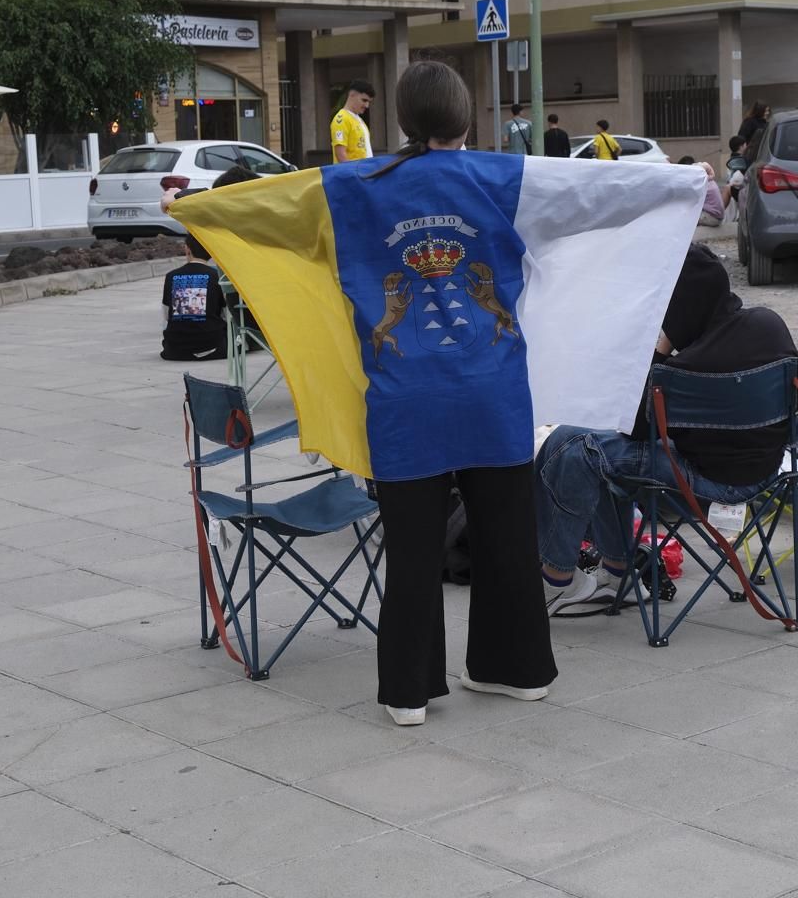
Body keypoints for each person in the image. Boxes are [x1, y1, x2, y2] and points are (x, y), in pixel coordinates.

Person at [164, 60, 706, 726]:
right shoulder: (503, 177)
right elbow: (598, 191)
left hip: (403, 397)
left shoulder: (350, 186)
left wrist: (189, 209)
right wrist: (682, 180)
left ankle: (407, 693)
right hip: (492, 390)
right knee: (507, 538)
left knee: (414, 550)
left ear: (399, 120)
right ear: (466, 116)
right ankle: (518, 672)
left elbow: (264, 205)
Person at [535, 243, 798, 611]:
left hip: (706, 486)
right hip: (766, 473)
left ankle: (555, 579)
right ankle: (617, 572)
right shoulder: (770, 325)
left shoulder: (682, 370)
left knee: (572, 444)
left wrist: (662, 347)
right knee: (595, 450)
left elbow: (632, 429)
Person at [159, 234, 227, 361]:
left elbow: (166, 315)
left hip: (175, 349)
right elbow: (227, 315)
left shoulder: (171, 276)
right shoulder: (217, 276)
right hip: (212, 346)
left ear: (187, 249)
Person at [331, 80, 375, 163]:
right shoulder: (341, 119)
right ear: (352, 95)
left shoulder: (359, 120)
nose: (367, 105)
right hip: (351, 174)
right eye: (364, 100)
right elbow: (340, 154)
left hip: (362, 173)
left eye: (369, 102)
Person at [676, 155, 725, 227]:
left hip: (713, 218)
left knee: (683, 215)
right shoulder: (704, 176)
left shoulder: (697, 182)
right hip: (718, 216)